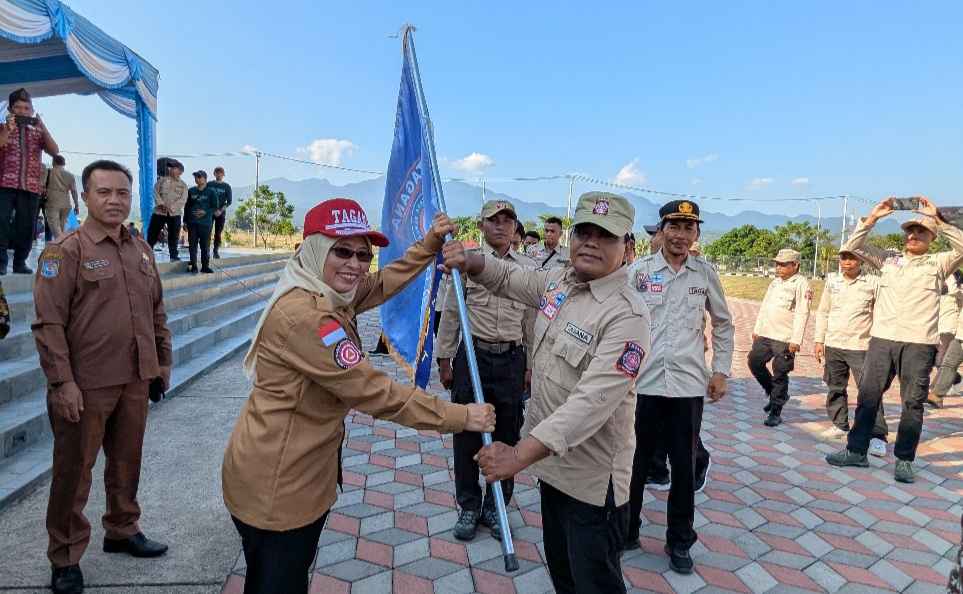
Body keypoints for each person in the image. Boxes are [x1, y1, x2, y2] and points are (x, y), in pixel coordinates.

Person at [221, 198, 495, 594]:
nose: (354, 264)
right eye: (342, 251)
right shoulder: (310, 318)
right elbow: (376, 393)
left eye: (363, 255)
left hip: (289, 473)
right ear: (313, 250)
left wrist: (429, 245)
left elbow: (383, 282)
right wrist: (462, 417)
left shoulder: (323, 290)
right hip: (279, 486)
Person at [443, 191, 650, 594]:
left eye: (605, 236)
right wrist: (470, 261)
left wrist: (516, 455)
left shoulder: (627, 315)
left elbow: (589, 405)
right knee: (563, 576)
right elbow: (509, 278)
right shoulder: (560, 282)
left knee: (594, 583)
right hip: (552, 469)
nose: (591, 243)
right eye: (584, 232)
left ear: (628, 246)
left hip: (591, 484)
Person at [32, 160, 172, 594]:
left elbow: (156, 311)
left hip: (135, 378)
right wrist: (62, 383)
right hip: (85, 384)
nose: (114, 200)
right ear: (86, 197)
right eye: (104, 192)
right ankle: (65, 557)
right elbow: (48, 325)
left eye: (122, 193)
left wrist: (162, 363)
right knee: (74, 472)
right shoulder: (65, 251)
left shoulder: (140, 248)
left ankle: (122, 529)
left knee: (128, 461)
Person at [624, 200, 734, 574]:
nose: (681, 235)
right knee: (634, 462)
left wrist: (720, 371)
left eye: (689, 228)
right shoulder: (639, 272)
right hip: (643, 383)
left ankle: (680, 541)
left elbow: (723, 323)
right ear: (661, 230)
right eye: (674, 226)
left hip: (687, 387)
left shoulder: (704, 274)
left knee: (684, 468)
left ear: (697, 233)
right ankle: (626, 530)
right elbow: (619, 318)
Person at [827, 198, 963, 483]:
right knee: (868, 397)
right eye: (910, 231)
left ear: (932, 237)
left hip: (918, 344)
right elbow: (854, 245)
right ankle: (856, 451)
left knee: (912, 403)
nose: (913, 235)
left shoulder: (939, 263)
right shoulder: (888, 260)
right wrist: (873, 218)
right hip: (882, 340)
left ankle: (904, 460)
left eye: (920, 231)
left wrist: (938, 219)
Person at [435, 200, 535, 542]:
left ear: (515, 227)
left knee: (507, 434)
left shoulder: (527, 268)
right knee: (465, 432)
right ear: (481, 225)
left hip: (511, 359)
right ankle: (468, 505)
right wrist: (444, 358)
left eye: (508, 220)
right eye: (494, 220)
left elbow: (531, 321)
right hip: (473, 357)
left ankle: (496, 506)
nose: (501, 225)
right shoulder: (466, 262)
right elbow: (452, 311)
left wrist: (531, 365)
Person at [813, 250, 889, 455]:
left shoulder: (872, 283)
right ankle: (839, 424)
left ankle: (877, 436)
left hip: (861, 346)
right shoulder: (832, 282)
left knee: (870, 392)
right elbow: (823, 312)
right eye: (843, 258)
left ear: (861, 260)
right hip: (834, 343)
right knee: (835, 387)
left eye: (852, 258)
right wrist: (819, 340)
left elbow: (882, 312)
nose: (847, 262)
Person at [748, 248, 812, 427]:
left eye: (783, 264)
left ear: (795, 265)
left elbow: (803, 312)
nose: (778, 267)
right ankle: (776, 393)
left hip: (785, 337)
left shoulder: (801, 284)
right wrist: (757, 328)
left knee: (780, 372)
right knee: (754, 362)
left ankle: (775, 412)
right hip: (766, 332)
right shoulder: (775, 283)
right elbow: (765, 306)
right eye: (777, 264)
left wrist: (796, 340)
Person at [0, 88, 59, 274]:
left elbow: (55, 151)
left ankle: (20, 263)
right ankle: (1, 262)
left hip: (31, 186)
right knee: (1, 222)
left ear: (32, 110)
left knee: (26, 226)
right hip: (4, 184)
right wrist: (8, 129)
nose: (23, 111)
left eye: (27, 108)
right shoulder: (2, 128)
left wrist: (43, 127)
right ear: (10, 109)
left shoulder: (38, 132)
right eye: (18, 107)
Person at [930, 270, 963, 408]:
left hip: (950, 326)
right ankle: (936, 395)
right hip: (958, 331)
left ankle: (938, 390)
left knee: (943, 359)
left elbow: (956, 294)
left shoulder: (955, 285)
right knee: (948, 362)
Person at [147, 160, 188, 261]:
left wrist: (172, 207)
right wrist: (161, 204)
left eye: (173, 168)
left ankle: (173, 256)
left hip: (175, 214)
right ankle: (147, 255)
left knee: (174, 236)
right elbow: (155, 192)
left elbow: (183, 199)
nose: (170, 169)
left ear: (180, 171)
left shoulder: (183, 185)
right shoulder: (162, 181)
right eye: (170, 167)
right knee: (152, 234)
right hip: (159, 212)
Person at [184, 170, 219, 273]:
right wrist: (185, 221)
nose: (197, 179)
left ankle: (205, 266)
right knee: (192, 245)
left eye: (199, 177)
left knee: (205, 246)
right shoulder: (191, 191)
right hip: (192, 223)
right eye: (195, 177)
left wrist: (205, 212)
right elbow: (187, 207)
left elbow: (215, 207)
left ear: (205, 179)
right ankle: (194, 266)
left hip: (205, 223)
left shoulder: (211, 192)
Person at [43, 155, 79, 239]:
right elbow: (74, 191)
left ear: (53, 162)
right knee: (62, 228)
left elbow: (42, 186)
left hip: (52, 202)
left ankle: (62, 244)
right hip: (66, 204)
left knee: (55, 228)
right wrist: (76, 205)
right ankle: (63, 243)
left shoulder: (48, 172)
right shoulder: (70, 175)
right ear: (64, 163)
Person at [207, 166, 232, 259]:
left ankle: (215, 251)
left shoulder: (226, 186)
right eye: (217, 173)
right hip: (210, 212)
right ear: (214, 174)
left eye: (221, 173)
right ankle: (206, 251)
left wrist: (220, 210)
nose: (219, 175)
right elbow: (206, 197)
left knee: (218, 233)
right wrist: (212, 210)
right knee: (207, 232)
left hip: (221, 213)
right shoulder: (209, 184)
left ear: (223, 175)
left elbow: (229, 201)